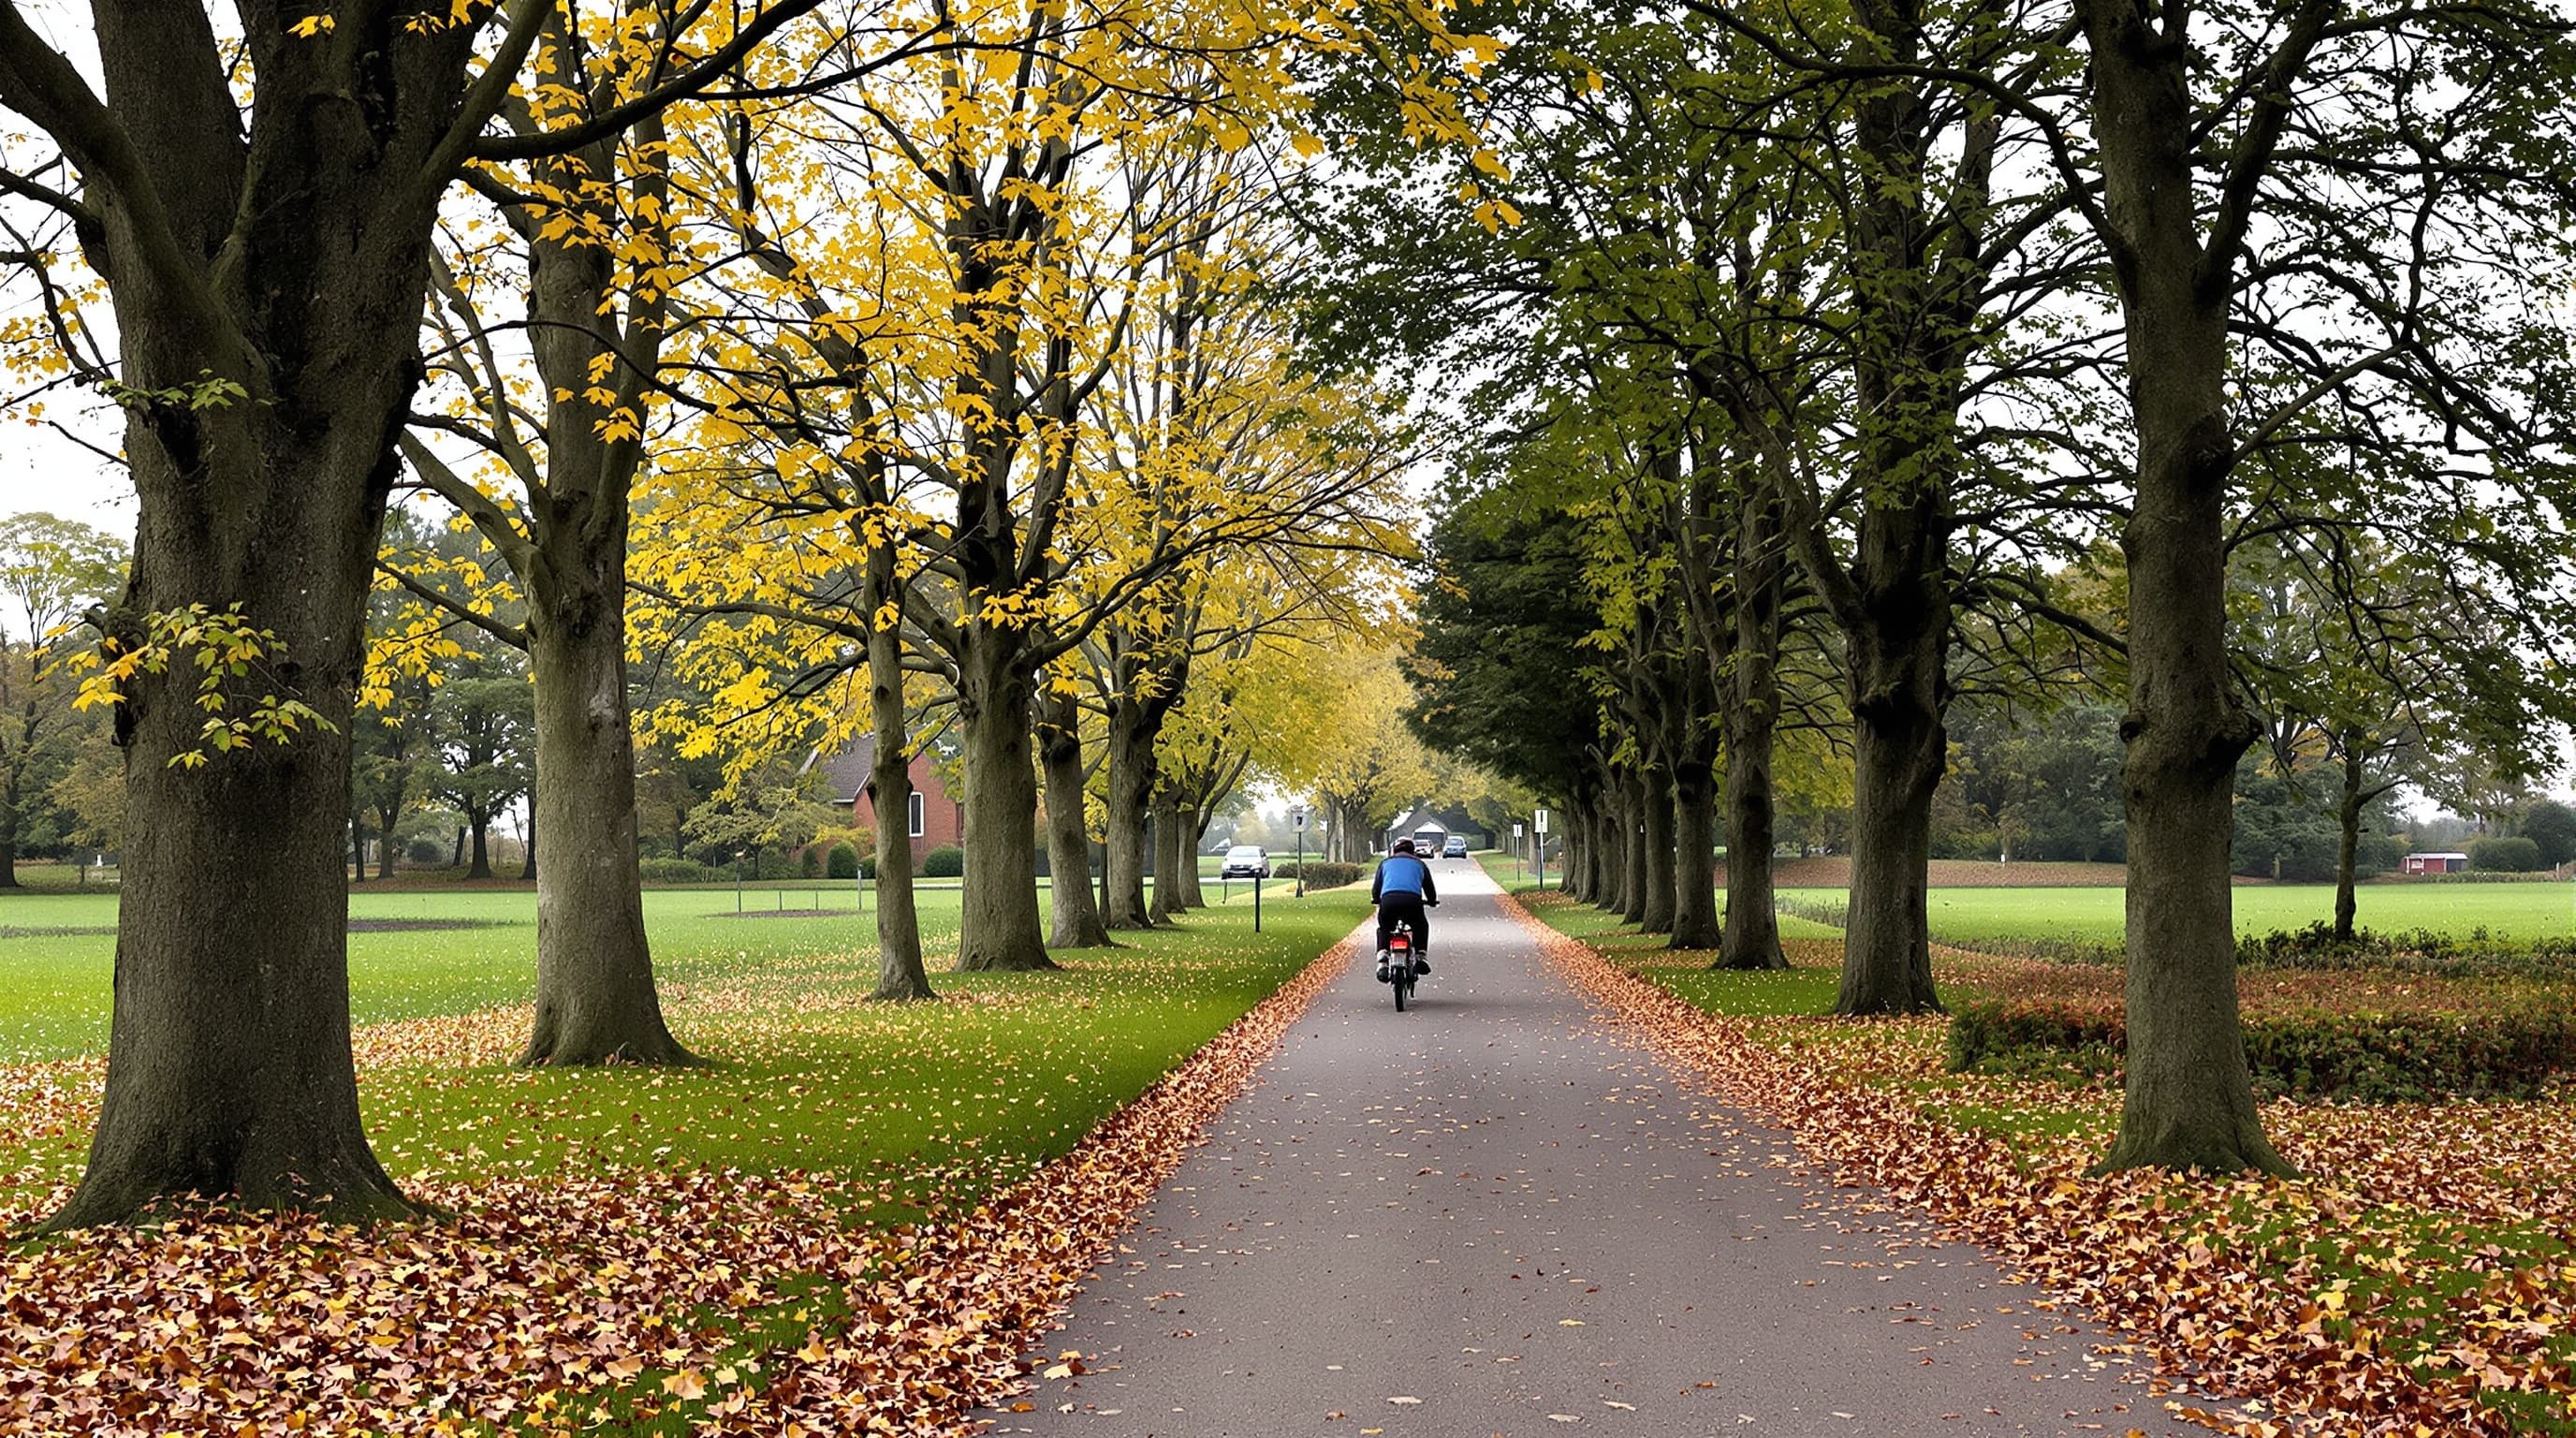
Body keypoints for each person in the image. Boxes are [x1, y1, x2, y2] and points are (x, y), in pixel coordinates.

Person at [1370, 838, 1439, 981]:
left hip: (1388, 901)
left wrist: (1377, 898)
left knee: (1385, 927)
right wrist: (1432, 901)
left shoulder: (1385, 863)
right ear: (1412, 851)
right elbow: (1429, 887)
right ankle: (1420, 955)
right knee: (1421, 925)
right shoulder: (1420, 864)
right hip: (1412, 901)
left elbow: (1377, 887)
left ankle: (1383, 956)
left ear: (1394, 850)